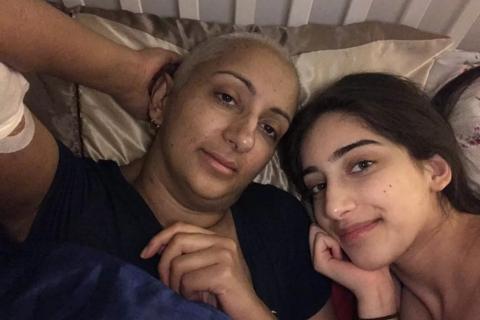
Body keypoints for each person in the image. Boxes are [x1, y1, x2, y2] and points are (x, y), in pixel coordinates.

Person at [0, 0, 333, 319]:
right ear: (162, 99)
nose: (244, 138)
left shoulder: (281, 219)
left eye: (269, 129)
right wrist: (127, 73)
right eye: (227, 97)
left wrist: (249, 308)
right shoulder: (64, 194)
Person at [280, 72, 480, 319]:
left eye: (362, 165)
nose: (333, 207)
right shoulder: (408, 299)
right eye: (318, 186)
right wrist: (376, 297)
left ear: (435, 171)